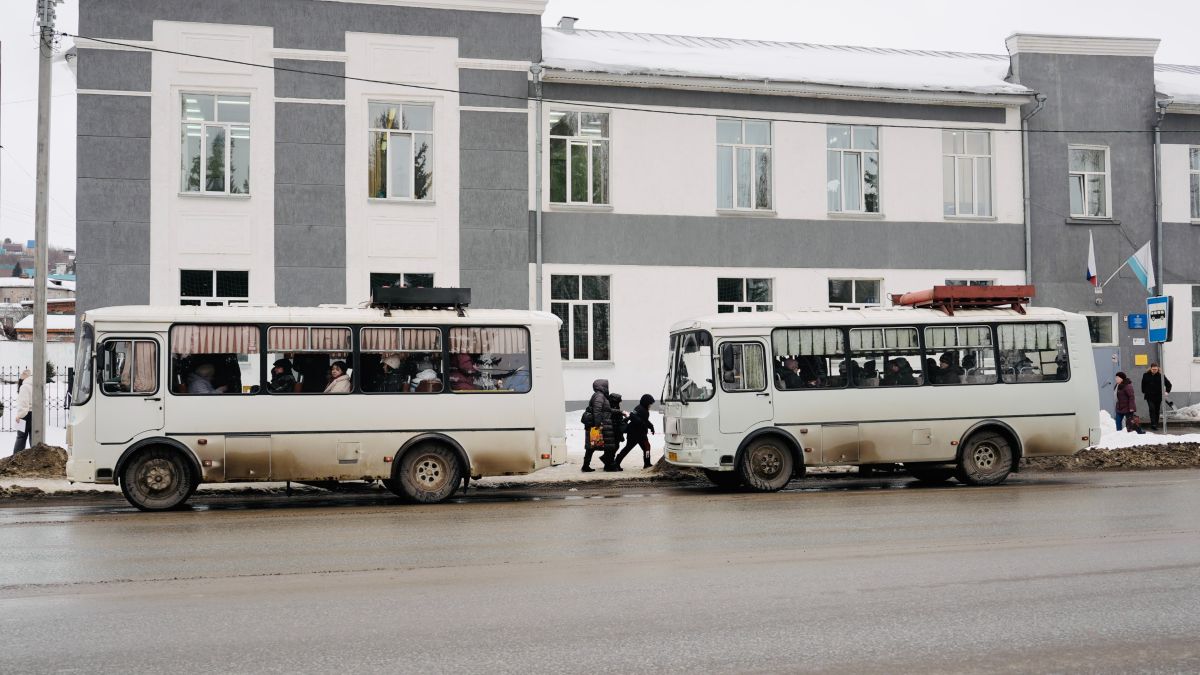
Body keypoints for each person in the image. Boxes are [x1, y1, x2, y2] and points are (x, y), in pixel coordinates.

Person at [615, 394, 657, 470]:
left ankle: (617, 462)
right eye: (650, 403)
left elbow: (645, 420)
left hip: (637, 433)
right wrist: (642, 423)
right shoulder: (640, 409)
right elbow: (633, 416)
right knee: (645, 447)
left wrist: (651, 427)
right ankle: (616, 463)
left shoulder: (642, 408)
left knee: (643, 447)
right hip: (636, 433)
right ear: (646, 402)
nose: (650, 405)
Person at [581, 379, 612, 472]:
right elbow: (597, 411)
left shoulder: (600, 395)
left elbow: (605, 410)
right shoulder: (599, 396)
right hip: (595, 425)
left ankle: (586, 465)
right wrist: (598, 425)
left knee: (592, 446)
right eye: (606, 385)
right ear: (603, 386)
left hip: (596, 424)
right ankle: (586, 465)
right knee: (591, 446)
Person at [1140, 363, 1172, 428]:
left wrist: (1167, 392)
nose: (1154, 370)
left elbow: (1169, 384)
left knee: (1157, 410)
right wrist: (1144, 391)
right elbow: (1143, 383)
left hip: (1158, 396)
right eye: (1153, 369)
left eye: (1156, 369)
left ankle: (1156, 423)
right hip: (1149, 396)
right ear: (1150, 369)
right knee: (1151, 409)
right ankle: (1153, 423)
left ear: (1158, 369)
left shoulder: (1161, 375)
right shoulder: (1146, 375)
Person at [603, 393, 628, 471]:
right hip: (613, 431)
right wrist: (622, 414)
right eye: (619, 401)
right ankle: (609, 465)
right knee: (612, 448)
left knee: (613, 448)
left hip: (614, 431)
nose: (620, 403)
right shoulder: (612, 409)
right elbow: (615, 421)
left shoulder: (615, 408)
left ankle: (608, 463)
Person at [12, 369, 32, 454]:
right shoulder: (35, 385)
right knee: (34, 438)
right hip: (35, 414)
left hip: (25, 414)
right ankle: (35, 459)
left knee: (21, 437)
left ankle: (16, 458)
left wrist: (19, 415)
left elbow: (24, 404)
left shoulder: (24, 387)